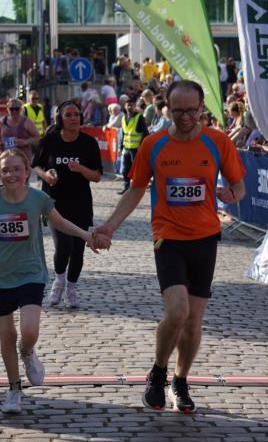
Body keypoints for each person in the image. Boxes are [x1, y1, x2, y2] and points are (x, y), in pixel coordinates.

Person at [93, 80, 246, 416]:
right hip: (168, 236)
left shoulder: (218, 142)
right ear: (168, 110)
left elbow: (239, 185)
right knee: (177, 312)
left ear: (202, 108)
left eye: (192, 110)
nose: (186, 117)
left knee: (193, 321)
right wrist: (110, 225)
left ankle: (180, 380)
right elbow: (136, 190)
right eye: (178, 111)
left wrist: (232, 194)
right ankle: (158, 371)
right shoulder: (154, 144)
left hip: (205, 237)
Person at [0, 149, 108, 413]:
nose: (11, 174)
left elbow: (61, 223)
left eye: (16, 169)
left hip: (31, 273)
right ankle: (14, 390)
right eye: (5, 170)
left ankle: (27, 352)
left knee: (29, 330)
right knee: (7, 335)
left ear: (26, 173)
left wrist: (86, 236)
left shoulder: (38, 199)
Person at [32, 99, 103, 309]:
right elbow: (35, 166)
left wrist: (81, 169)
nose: (73, 118)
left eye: (76, 114)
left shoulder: (89, 143)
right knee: (64, 246)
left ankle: (71, 288)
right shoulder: (50, 140)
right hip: (54, 203)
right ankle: (59, 281)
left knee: (78, 250)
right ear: (60, 119)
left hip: (80, 203)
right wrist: (47, 175)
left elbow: (97, 176)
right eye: (68, 115)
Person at [0, 97, 41, 168]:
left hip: (23, 160)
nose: (14, 111)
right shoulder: (3, 121)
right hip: (5, 159)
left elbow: (38, 139)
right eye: (11, 109)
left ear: (21, 109)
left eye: (17, 109)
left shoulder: (27, 122)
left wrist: (25, 142)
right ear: (7, 109)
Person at [119, 97, 148, 194]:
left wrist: (141, 146)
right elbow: (123, 133)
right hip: (127, 148)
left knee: (136, 170)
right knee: (125, 169)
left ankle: (136, 188)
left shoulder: (139, 118)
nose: (129, 107)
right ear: (125, 106)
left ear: (135, 106)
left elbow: (145, 133)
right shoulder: (123, 118)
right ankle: (126, 187)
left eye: (131, 105)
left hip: (136, 149)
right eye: (128, 105)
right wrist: (121, 147)